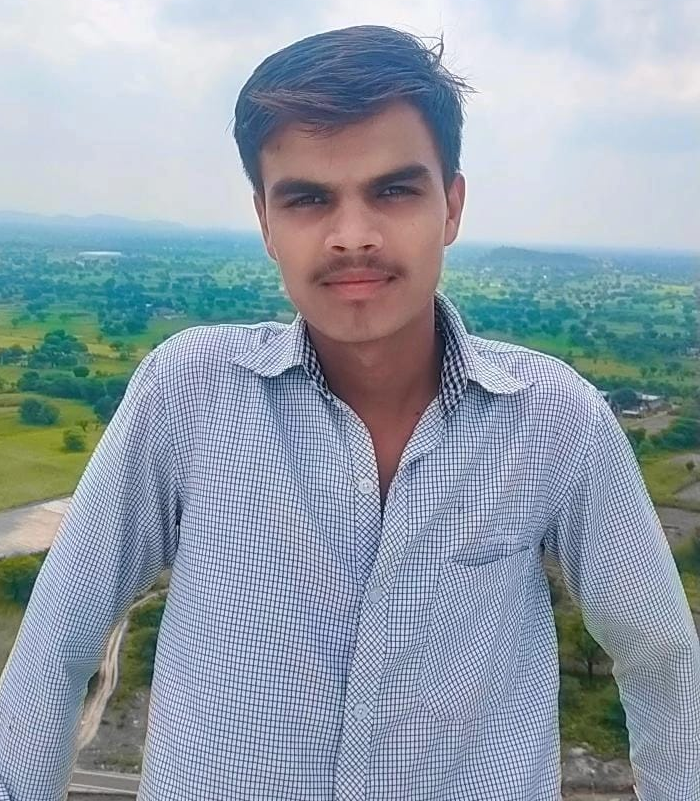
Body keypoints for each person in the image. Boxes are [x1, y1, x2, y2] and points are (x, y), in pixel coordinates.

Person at [0, 24, 698, 801]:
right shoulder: (186, 394)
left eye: (394, 190)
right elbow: (55, 648)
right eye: (308, 198)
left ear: (452, 206)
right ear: (265, 221)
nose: (353, 236)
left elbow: (663, 659)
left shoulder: (556, 421)